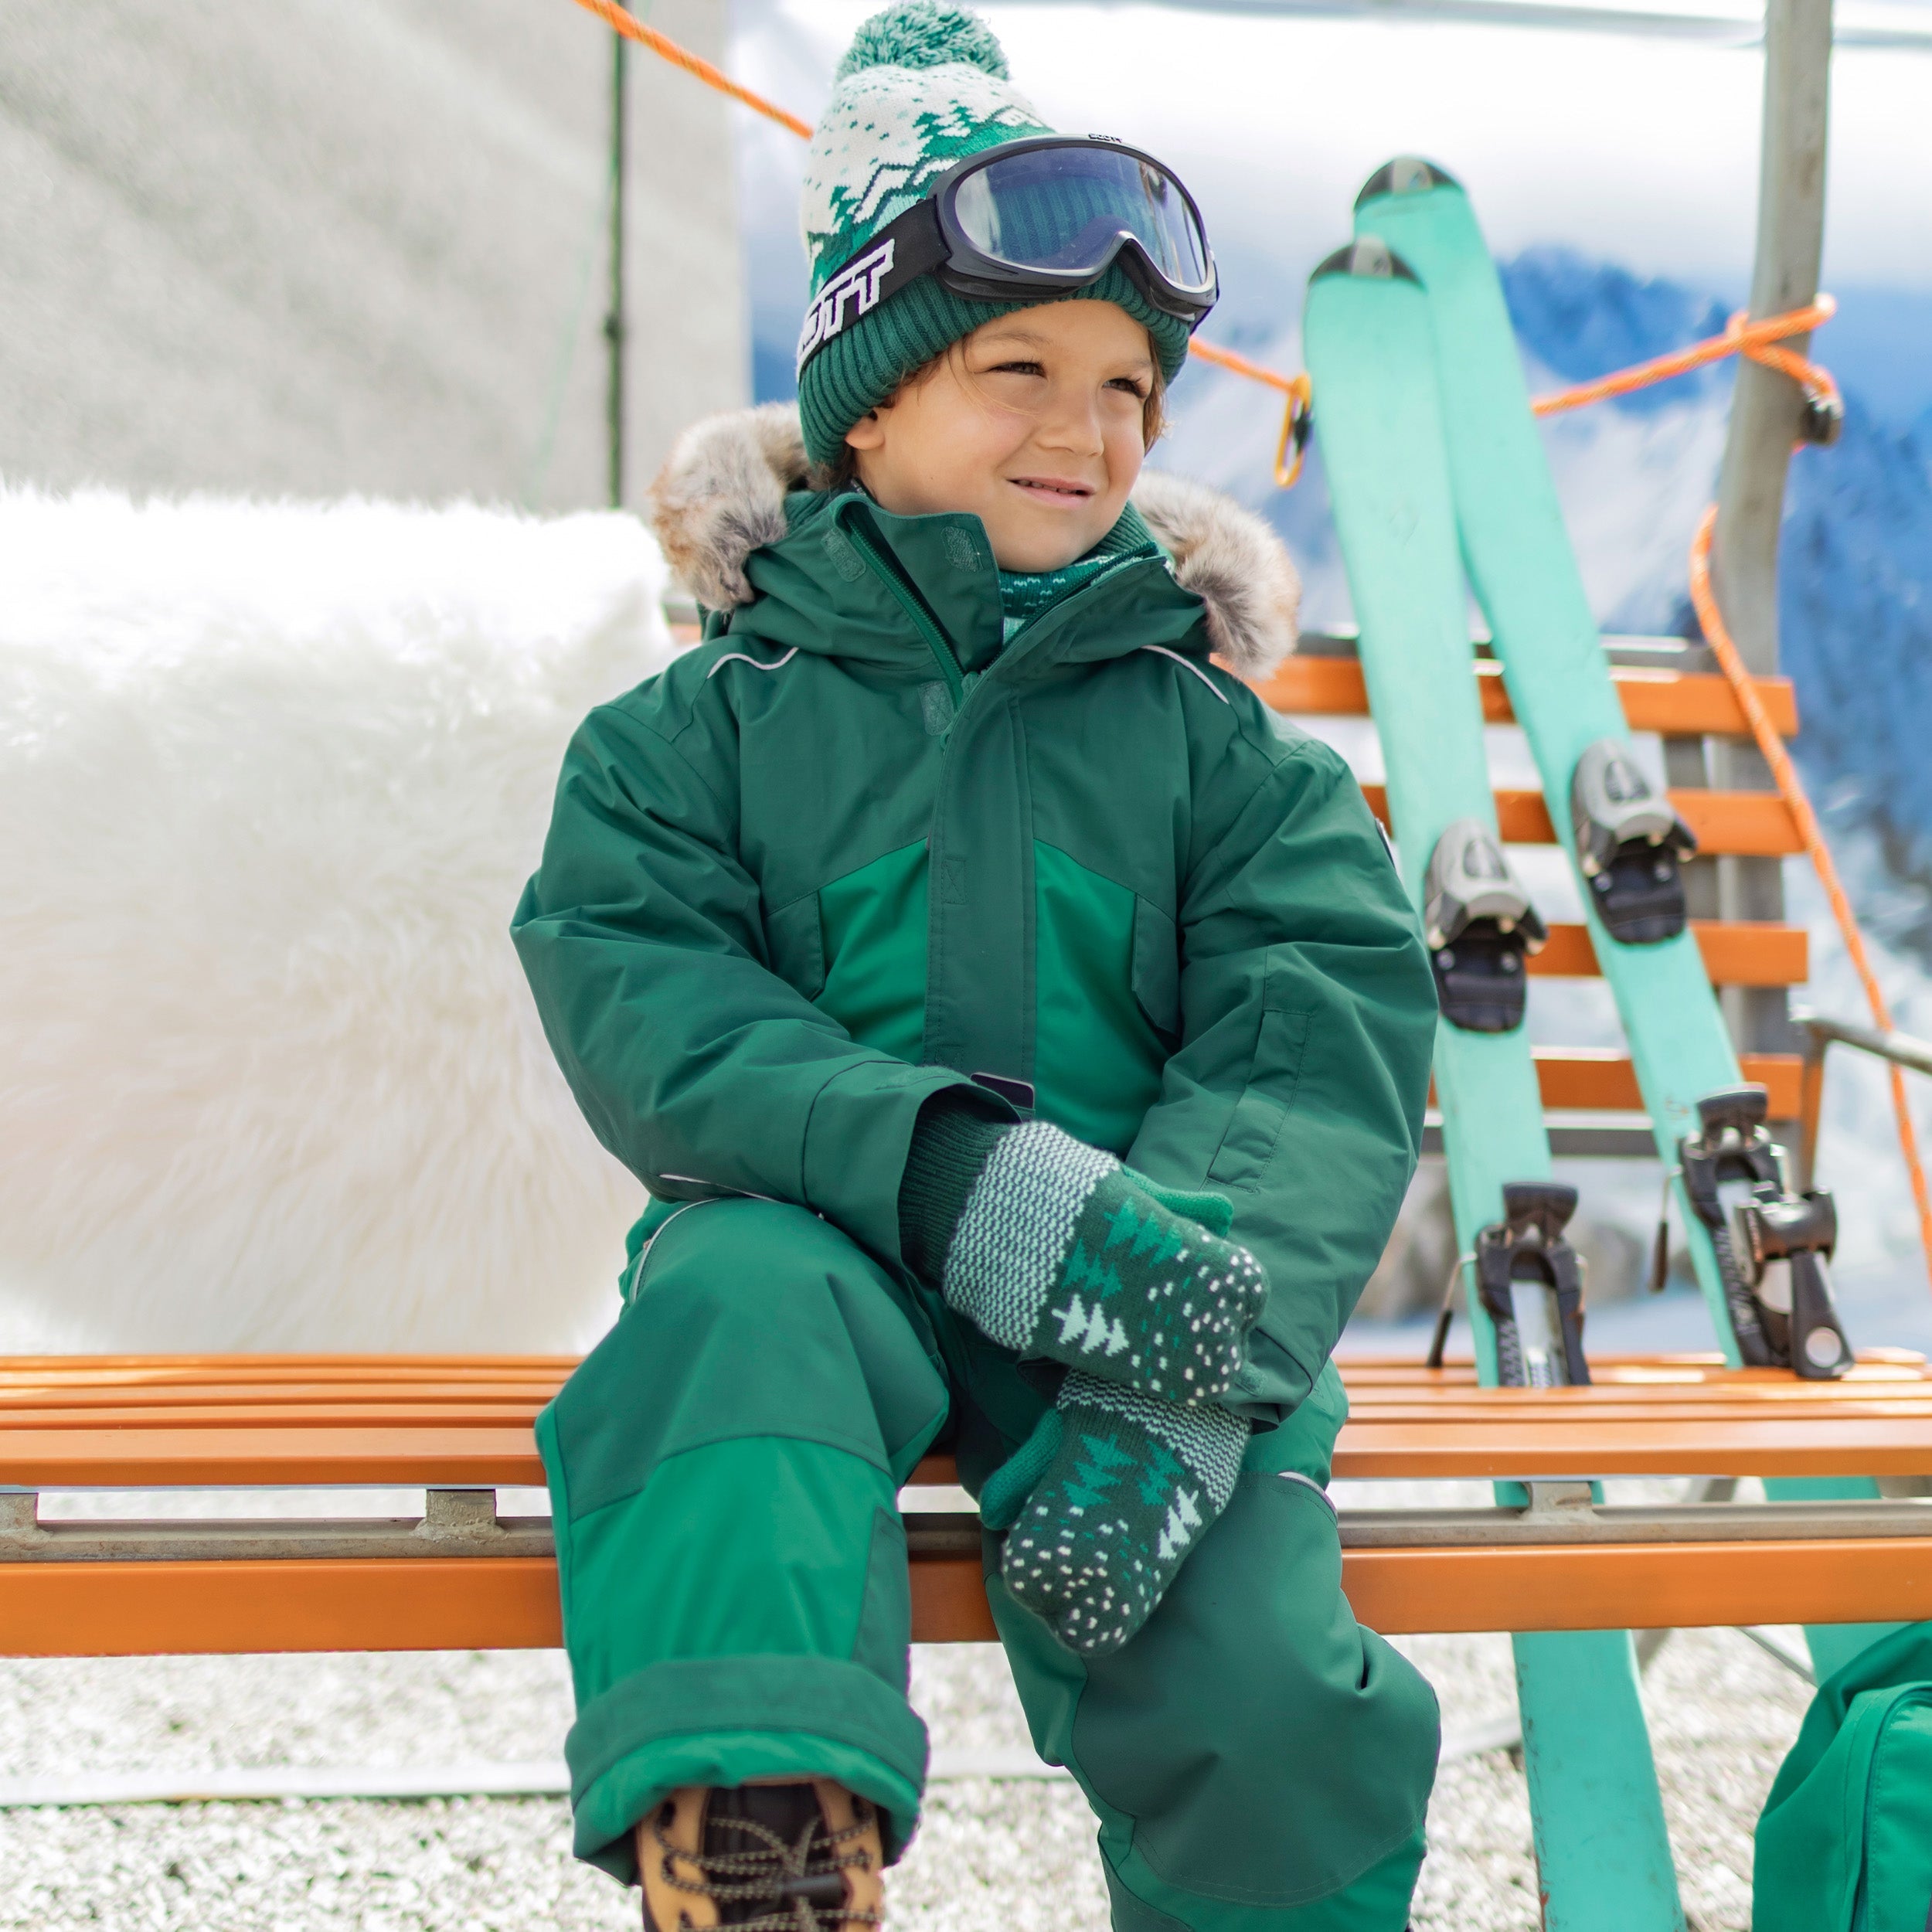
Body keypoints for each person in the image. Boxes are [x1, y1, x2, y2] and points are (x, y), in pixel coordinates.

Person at [511, 5, 1441, 1926]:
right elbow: (650, 995)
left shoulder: (1215, 748)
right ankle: (759, 1828)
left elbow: (1314, 1043)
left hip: (1148, 1282)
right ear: (868, 398)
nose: (1086, 426)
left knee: (1262, 1682)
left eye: (1127, 384)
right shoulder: (700, 733)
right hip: (824, 1239)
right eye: (1017, 363)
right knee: (724, 1326)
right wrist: (945, 1173)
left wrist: (1197, 1346)